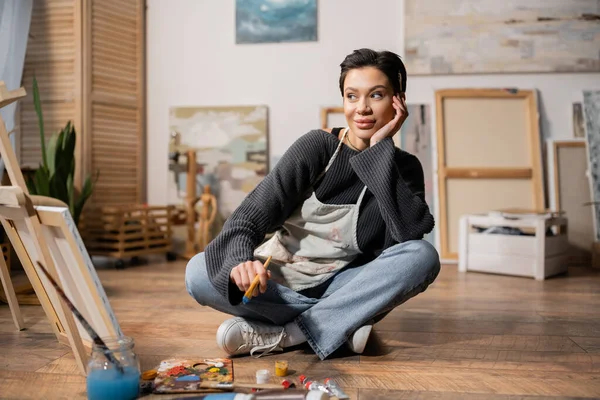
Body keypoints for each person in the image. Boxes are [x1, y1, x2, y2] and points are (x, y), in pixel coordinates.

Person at [185, 48, 440, 360]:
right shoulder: (318, 147)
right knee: (198, 271)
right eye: (351, 96)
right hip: (279, 280)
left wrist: (379, 150)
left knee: (422, 255)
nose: (362, 108)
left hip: (343, 285)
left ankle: (288, 334)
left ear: (397, 101)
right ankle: (338, 323)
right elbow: (247, 218)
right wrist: (241, 262)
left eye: (376, 95)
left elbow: (408, 235)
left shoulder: (405, 167)